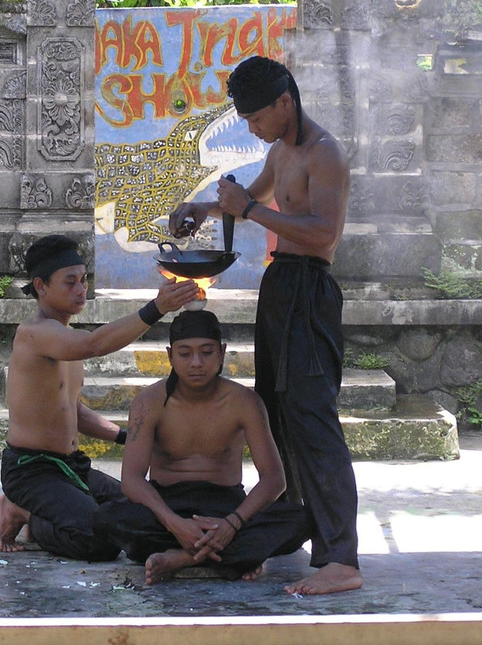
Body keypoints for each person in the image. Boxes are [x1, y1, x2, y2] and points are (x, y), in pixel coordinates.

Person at [168, 55, 363, 595]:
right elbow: (251, 198)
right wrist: (206, 209)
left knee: (313, 419)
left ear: (284, 102)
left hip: (311, 289)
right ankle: (299, 530)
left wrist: (248, 211)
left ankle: (341, 557)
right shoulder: (280, 150)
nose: (253, 130)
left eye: (257, 119)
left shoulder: (327, 155)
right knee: (276, 415)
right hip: (279, 289)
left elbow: (322, 235)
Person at [0, 234, 199, 561]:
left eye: (83, 280)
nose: (81, 289)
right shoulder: (34, 333)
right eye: (70, 282)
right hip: (32, 472)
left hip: (73, 465)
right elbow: (93, 345)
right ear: (41, 286)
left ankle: (45, 512)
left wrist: (124, 437)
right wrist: (158, 307)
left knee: (145, 514)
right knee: (99, 543)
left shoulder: (63, 337)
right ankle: (21, 511)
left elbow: (71, 410)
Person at [93, 310, 311, 585]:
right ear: (170, 355)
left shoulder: (244, 401)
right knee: (106, 518)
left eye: (206, 352)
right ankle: (232, 558)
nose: (196, 363)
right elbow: (132, 480)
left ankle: (181, 558)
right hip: (167, 506)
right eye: (185, 354)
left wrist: (233, 523)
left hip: (225, 505)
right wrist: (175, 524)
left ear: (222, 353)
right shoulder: (148, 402)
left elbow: (274, 479)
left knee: (303, 519)